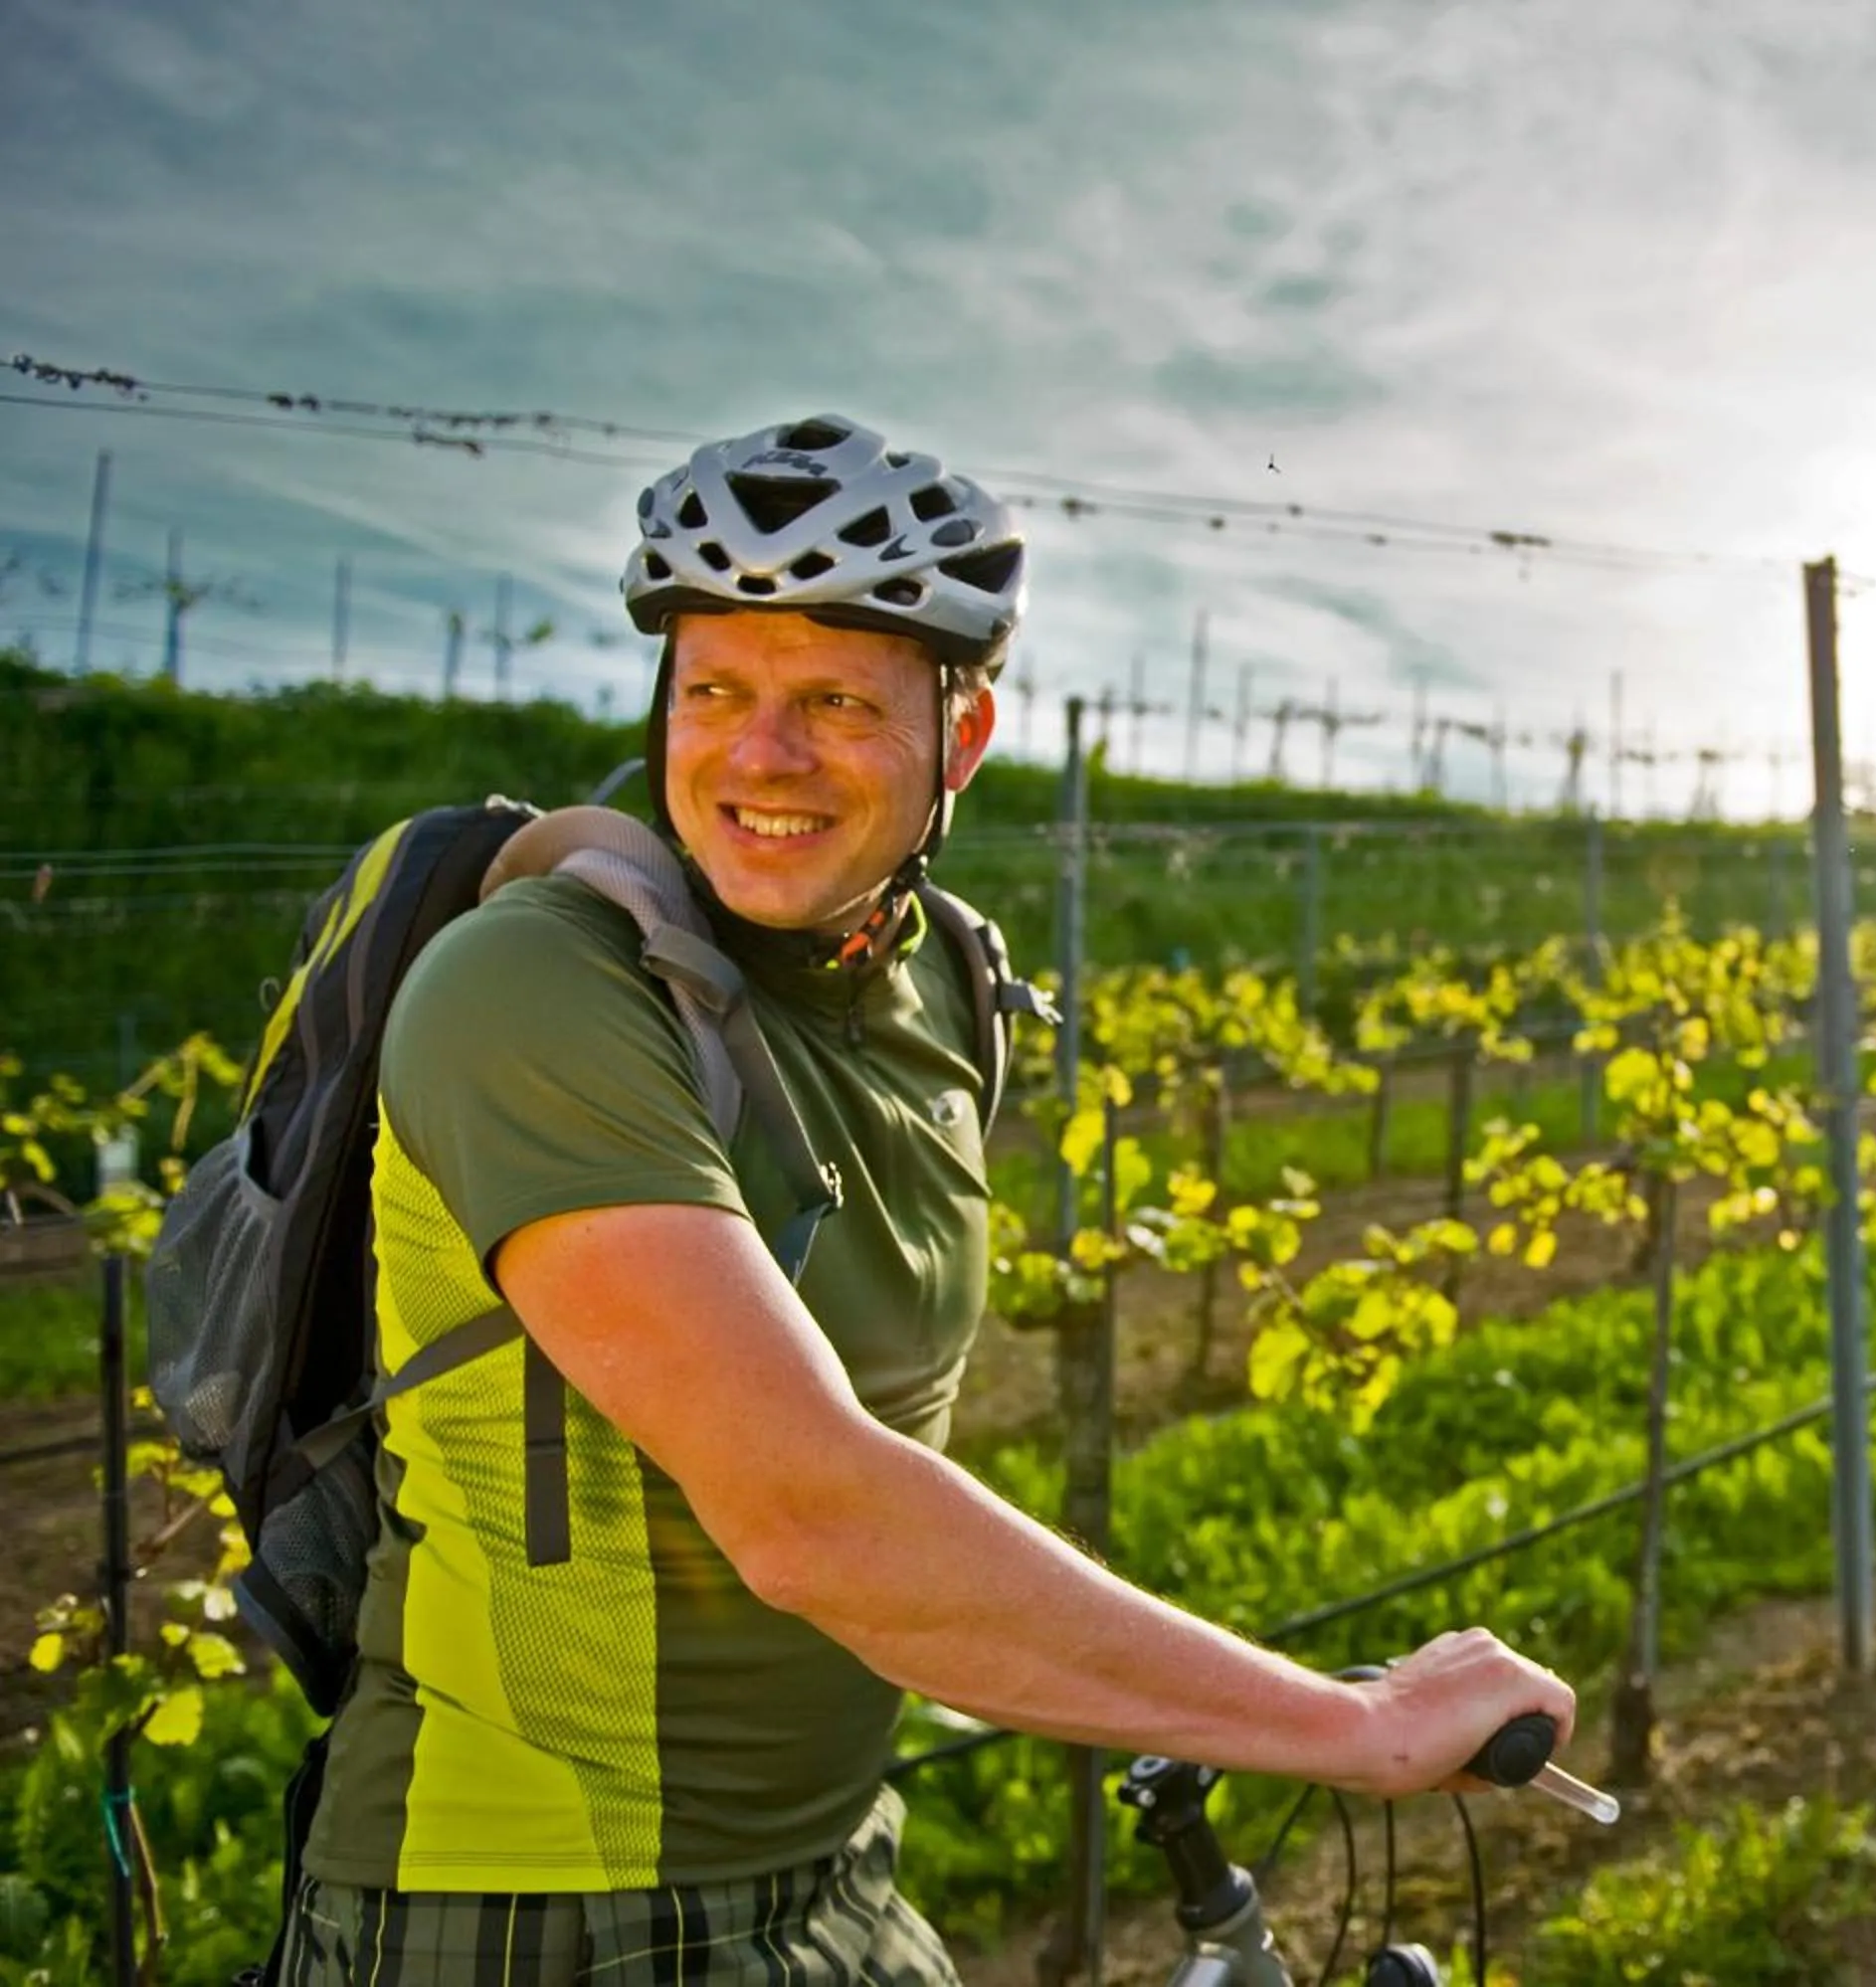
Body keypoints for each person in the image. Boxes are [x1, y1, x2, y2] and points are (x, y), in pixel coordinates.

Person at [281, 415, 1574, 1983]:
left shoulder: (946, 990)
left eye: (836, 700)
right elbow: (812, 1507)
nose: (761, 756)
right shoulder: (536, 985)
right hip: (529, 1902)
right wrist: (1350, 1728)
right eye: (716, 692)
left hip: (840, 1868)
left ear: (959, 740)